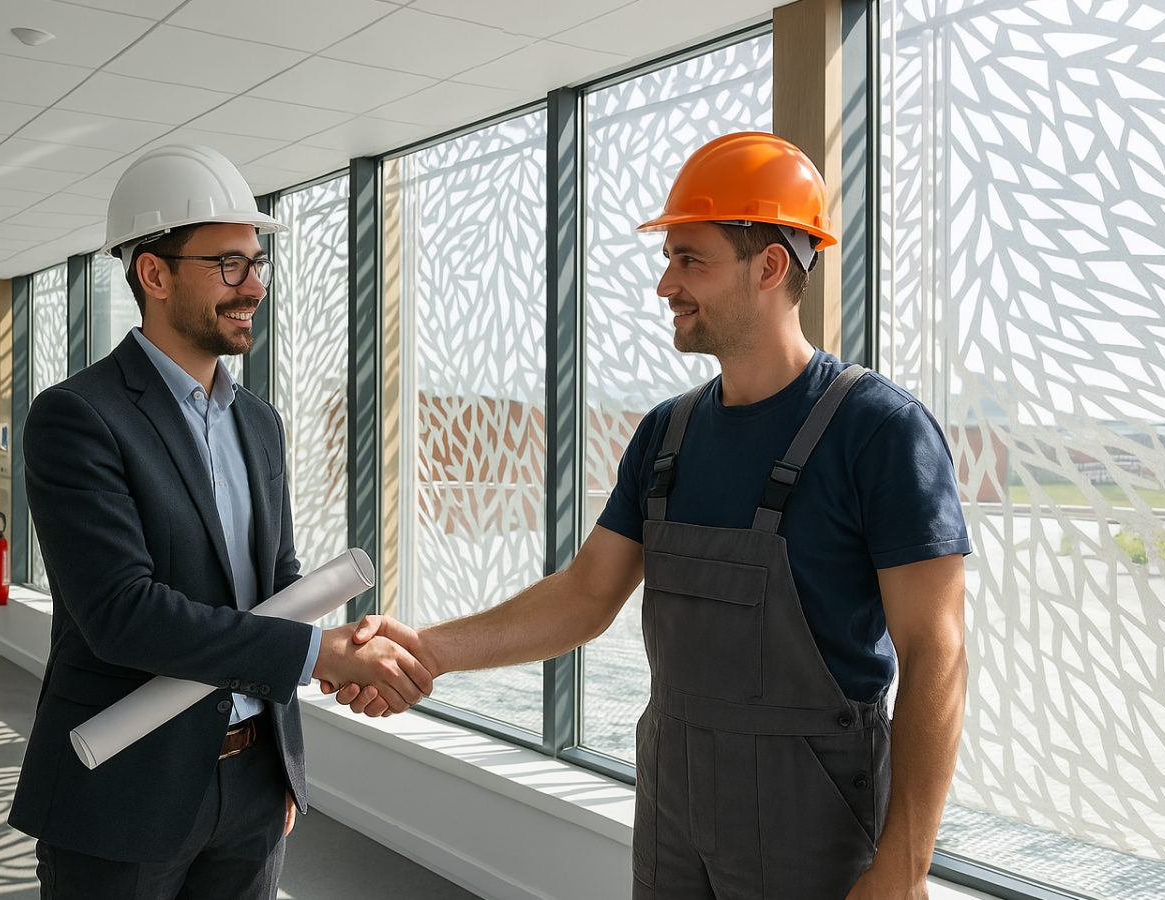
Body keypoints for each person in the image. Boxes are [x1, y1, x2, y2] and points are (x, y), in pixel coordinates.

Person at [330, 132, 969, 900]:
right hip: (675, 804)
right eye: (668, 260)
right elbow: (586, 594)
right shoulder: (667, 435)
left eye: (689, 259)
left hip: (816, 824)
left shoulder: (881, 431)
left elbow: (936, 655)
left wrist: (902, 869)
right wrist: (425, 650)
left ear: (769, 267)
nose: (666, 284)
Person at [8, 144, 431, 900]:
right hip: (125, 795)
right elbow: (121, 613)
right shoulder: (78, 418)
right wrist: (314, 655)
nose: (254, 287)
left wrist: (332, 661)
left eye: (258, 263)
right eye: (229, 265)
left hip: (255, 786)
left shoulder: (259, 424)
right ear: (155, 273)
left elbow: (278, 585)